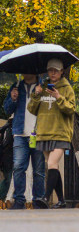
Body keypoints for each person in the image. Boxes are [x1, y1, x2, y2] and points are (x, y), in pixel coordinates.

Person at [27, 59, 76, 208]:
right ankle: (61, 200)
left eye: (56, 70)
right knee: (52, 166)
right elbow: (31, 109)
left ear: (62, 72)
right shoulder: (41, 87)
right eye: (50, 70)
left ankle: (45, 198)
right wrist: (35, 95)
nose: (53, 73)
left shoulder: (67, 88)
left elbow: (71, 109)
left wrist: (58, 97)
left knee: (52, 163)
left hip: (60, 132)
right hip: (44, 132)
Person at [3, 74, 47, 209]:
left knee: (39, 170)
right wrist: (13, 98)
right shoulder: (16, 87)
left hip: (38, 134)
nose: (26, 72)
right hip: (20, 134)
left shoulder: (43, 87)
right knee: (18, 168)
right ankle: (19, 200)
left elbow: (49, 109)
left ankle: (38, 200)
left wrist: (40, 94)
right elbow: (7, 109)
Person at [0, 119, 14, 202]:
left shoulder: (6, 128)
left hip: (7, 158)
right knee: (8, 179)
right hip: (7, 158)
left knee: (8, 179)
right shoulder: (8, 128)